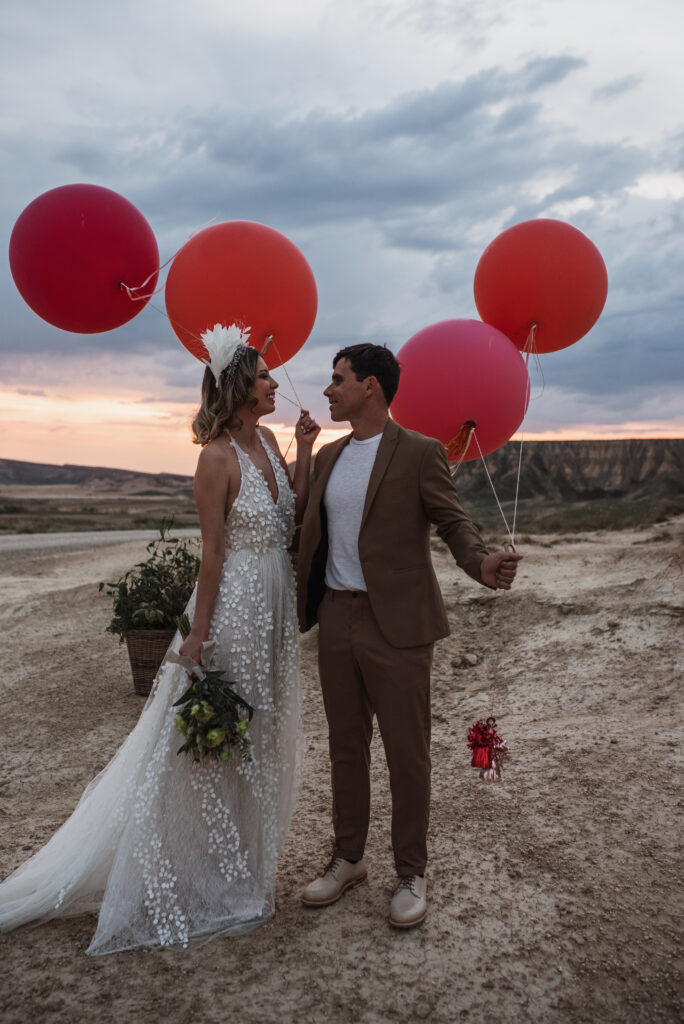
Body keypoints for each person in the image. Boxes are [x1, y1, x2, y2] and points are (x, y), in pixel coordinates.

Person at [0, 326, 320, 953]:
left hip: (275, 607)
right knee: (221, 744)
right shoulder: (215, 458)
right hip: (233, 613)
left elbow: (292, 515)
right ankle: (208, 876)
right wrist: (197, 638)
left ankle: (244, 869)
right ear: (239, 388)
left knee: (259, 737)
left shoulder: (268, 445)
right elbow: (213, 555)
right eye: (263, 376)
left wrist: (305, 450)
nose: (274, 383)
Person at [297, 343, 521, 929]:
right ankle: (348, 859)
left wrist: (480, 563)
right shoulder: (329, 456)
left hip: (397, 625)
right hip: (336, 617)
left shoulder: (420, 452)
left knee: (406, 753)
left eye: (338, 379)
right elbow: (308, 531)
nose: (329, 389)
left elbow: (452, 522)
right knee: (346, 747)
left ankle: (410, 873)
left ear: (370, 385)